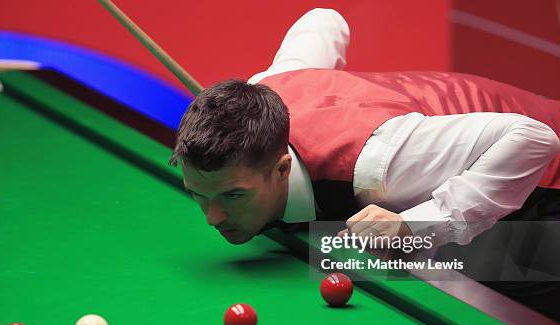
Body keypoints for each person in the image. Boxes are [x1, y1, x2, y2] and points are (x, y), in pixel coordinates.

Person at [169, 8, 560, 247]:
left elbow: (534, 138)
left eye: (233, 196)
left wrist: (417, 224)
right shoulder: (268, 91)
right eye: (199, 196)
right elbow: (324, 19)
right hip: (465, 140)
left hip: (546, 179)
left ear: (283, 168)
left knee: (493, 265)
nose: (212, 217)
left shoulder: (381, 167)